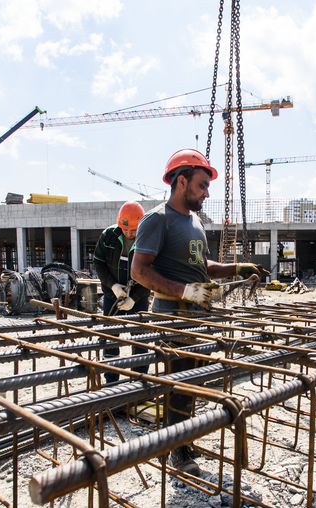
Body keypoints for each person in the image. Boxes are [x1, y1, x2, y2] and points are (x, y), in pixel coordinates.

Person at [131, 148, 268, 476]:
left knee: (196, 380)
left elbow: (201, 265)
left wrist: (236, 267)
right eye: (202, 185)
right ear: (182, 182)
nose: (207, 192)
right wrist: (185, 292)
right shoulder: (156, 219)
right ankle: (177, 450)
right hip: (173, 316)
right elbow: (139, 270)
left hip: (199, 315)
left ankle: (184, 439)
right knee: (180, 382)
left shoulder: (194, 221)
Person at [93, 201, 151, 383]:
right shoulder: (108, 236)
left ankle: (139, 379)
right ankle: (112, 381)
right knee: (110, 339)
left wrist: (133, 298)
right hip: (112, 296)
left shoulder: (149, 239)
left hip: (139, 298)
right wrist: (113, 286)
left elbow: (152, 274)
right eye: (125, 230)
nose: (129, 233)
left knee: (140, 340)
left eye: (133, 230)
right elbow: (98, 263)